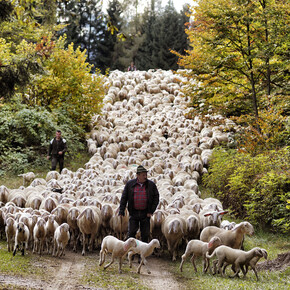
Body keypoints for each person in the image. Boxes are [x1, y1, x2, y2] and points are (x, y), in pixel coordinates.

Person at [119, 165, 159, 243]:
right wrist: (121, 210)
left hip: (145, 213)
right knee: (131, 233)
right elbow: (124, 197)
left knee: (145, 234)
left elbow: (156, 197)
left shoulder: (151, 185)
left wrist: (151, 211)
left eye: (146, 175)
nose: (145, 177)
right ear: (138, 175)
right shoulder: (130, 184)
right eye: (143, 175)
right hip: (134, 213)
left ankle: (143, 253)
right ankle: (132, 252)